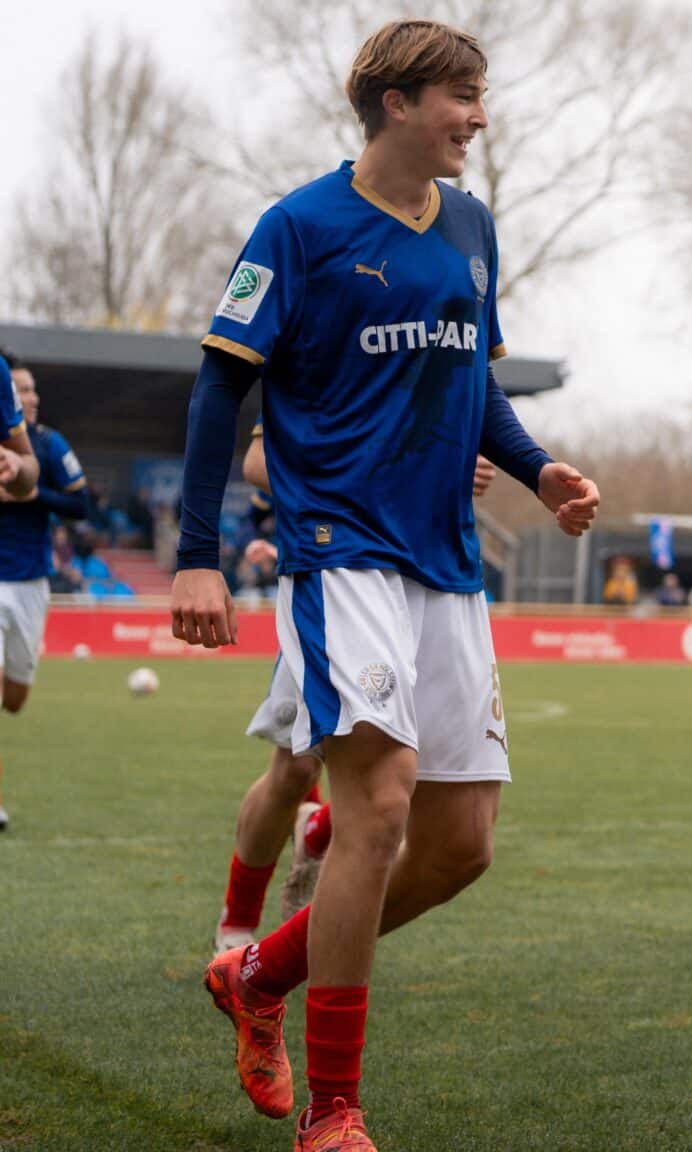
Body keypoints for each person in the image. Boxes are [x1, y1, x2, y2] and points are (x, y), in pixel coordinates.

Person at [172, 20, 599, 1151]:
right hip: (338, 551)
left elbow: (478, 389)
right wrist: (196, 549)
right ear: (398, 102)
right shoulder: (299, 226)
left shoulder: (471, 227)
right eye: (464, 94)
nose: (479, 115)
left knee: (461, 847)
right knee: (375, 801)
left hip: (445, 563)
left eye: (480, 93)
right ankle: (338, 1108)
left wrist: (538, 469)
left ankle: (259, 975)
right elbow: (221, 393)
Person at [212, 427, 500, 955]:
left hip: (435, 584)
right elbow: (260, 459)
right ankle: (237, 927)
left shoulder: (453, 357)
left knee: (406, 776)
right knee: (296, 769)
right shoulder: (334, 350)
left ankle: (317, 830)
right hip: (344, 580)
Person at [0, 349, 66, 832]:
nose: (28, 397)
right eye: (21, 389)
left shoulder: (47, 443)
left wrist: (20, 477)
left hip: (28, 580)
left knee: (15, 697)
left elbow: (32, 475)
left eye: (29, 390)